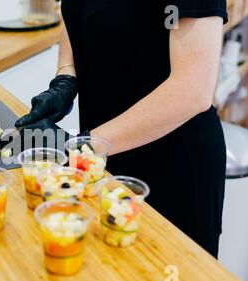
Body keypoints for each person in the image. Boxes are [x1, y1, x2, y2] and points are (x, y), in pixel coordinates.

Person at [15, 0, 228, 257]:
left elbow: (193, 90)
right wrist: (66, 76)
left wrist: (83, 147)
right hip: (102, 160)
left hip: (172, 170)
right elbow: (77, 11)